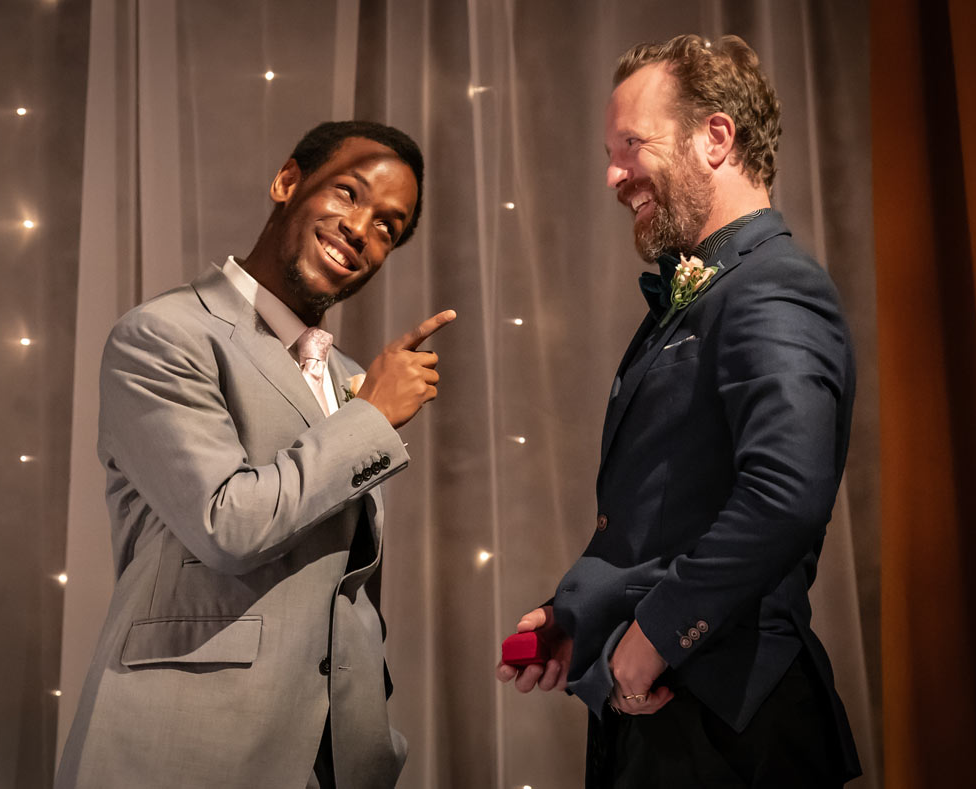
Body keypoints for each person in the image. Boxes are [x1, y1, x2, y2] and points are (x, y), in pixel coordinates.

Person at [497, 35, 862, 787]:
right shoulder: (708, 290)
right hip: (674, 711)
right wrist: (580, 614)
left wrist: (658, 632)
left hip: (733, 725)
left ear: (716, 137)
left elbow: (784, 496)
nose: (612, 175)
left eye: (632, 144)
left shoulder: (775, 287)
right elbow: (667, 508)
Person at [57, 120, 454, 789]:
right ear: (287, 181)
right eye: (348, 193)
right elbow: (227, 524)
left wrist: (371, 742)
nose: (361, 228)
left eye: (388, 226)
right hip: (180, 751)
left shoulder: (350, 374)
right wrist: (371, 416)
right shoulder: (163, 335)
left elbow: (341, 586)